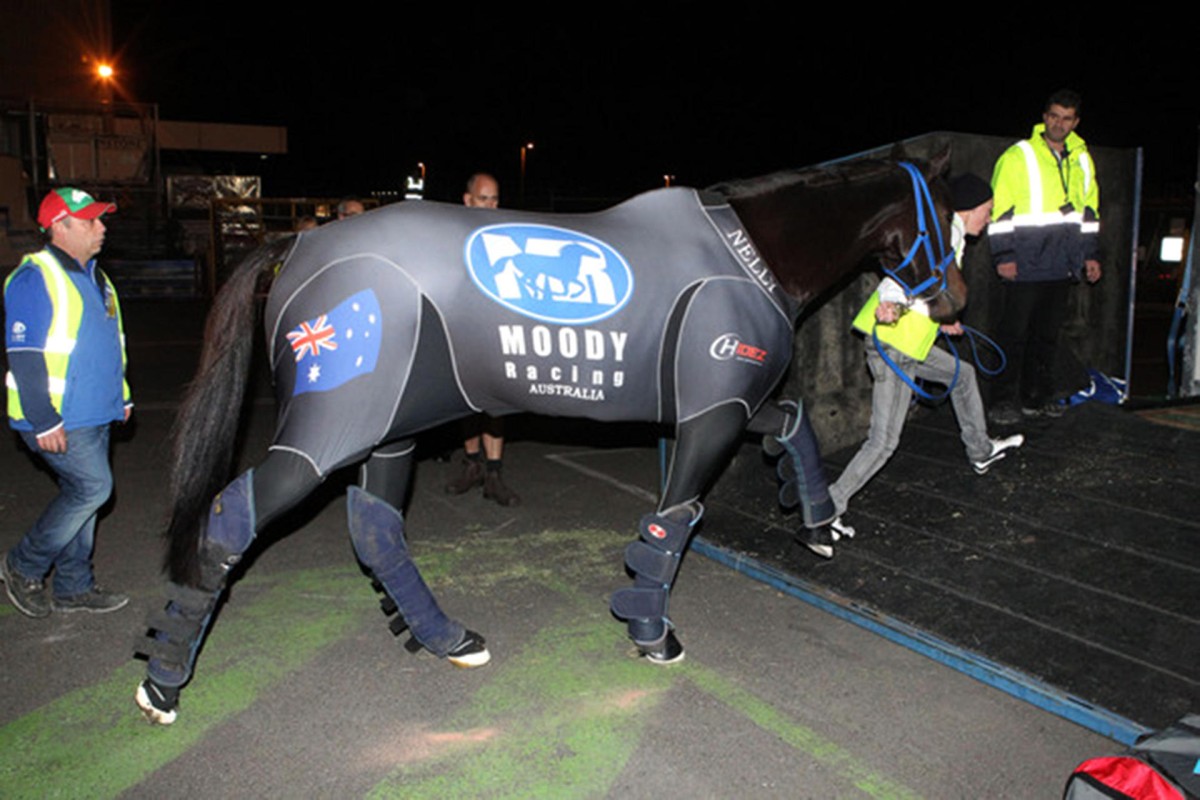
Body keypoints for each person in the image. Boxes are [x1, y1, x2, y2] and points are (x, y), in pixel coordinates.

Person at [826, 175, 1023, 552]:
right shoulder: (945, 236)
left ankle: (980, 451)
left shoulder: (955, 237)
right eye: (989, 208)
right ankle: (827, 508)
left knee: (962, 376)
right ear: (971, 208)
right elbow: (902, 276)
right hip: (895, 344)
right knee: (884, 441)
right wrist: (891, 305)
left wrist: (943, 318)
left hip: (911, 343)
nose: (992, 215)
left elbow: (928, 290)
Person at [1, 187, 132, 616]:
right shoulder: (35, 277)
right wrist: (43, 420)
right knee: (94, 489)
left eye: (101, 218)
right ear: (61, 225)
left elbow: (111, 345)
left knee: (84, 497)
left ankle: (74, 585)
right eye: (91, 220)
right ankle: (23, 564)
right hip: (58, 416)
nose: (102, 227)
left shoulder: (97, 275)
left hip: (95, 412)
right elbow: (25, 355)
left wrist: (122, 396)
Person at [987, 89, 1101, 425]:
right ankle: (1002, 400)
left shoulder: (1082, 158)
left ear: (1075, 122)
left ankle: (1037, 396)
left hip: (1062, 264)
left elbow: (1089, 213)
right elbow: (999, 212)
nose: (1059, 123)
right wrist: (1004, 256)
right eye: (1054, 115)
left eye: (1067, 118)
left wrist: (1090, 256)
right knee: (1013, 335)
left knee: (1047, 337)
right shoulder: (1018, 156)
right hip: (1024, 262)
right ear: (1044, 116)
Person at [445, 173, 520, 506]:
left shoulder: (502, 235)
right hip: (464, 326)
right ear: (467, 199)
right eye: (483, 198)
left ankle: (493, 473)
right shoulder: (454, 235)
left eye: (495, 198)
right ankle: (472, 463)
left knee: (496, 401)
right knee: (467, 400)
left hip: (495, 326)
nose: (491, 205)